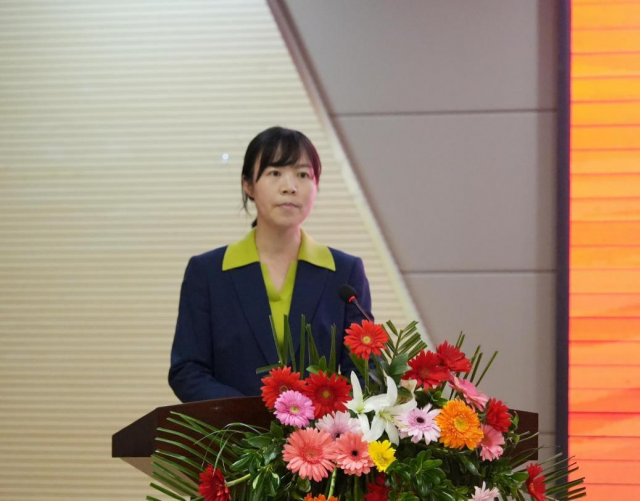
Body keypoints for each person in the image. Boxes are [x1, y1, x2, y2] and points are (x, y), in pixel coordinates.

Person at [168, 126, 373, 402]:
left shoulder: (344, 273)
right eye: (275, 173)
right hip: (231, 428)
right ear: (248, 185)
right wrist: (250, 417)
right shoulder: (208, 273)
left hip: (321, 429)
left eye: (303, 175)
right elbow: (188, 370)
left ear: (316, 186)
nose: (290, 187)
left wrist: (322, 417)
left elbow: (363, 372)